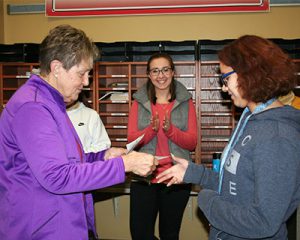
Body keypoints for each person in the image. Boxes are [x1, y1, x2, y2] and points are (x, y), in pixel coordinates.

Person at [0, 25, 157, 240]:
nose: (86, 82)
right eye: (82, 73)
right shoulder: (34, 107)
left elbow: (67, 161)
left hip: (57, 223)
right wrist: (125, 165)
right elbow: (57, 177)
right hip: (41, 229)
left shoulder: (52, 103)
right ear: (56, 68)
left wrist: (102, 157)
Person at [157, 35, 300, 239]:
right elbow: (236, 184)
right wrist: (195, 174)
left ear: (250, 74)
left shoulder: (277, 138)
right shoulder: (252, 121)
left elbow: (263, 222)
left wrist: (208, 202)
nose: (224, 88)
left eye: (226, 79)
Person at [127, 52, 198, 240]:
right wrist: (151, 129)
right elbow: (131, 141)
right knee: (140, 233)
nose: (161, 75)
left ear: (173, 72)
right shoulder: (139, 102)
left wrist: (170, 130)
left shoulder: (185, 102)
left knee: (169, 234)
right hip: (144, 177)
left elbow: (192, 142)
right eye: (155, 71)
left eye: (165, 70)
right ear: (149, 75)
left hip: (175, 179)